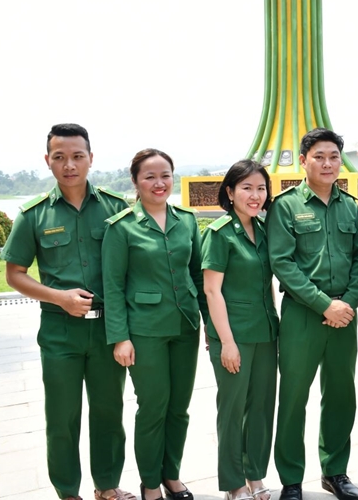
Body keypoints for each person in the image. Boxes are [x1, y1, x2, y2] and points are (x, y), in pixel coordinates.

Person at [0, 123, 135, 500]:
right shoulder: (34, 215)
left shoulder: (115, 208)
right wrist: (59, 297)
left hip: (108, 329)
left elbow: (135, 265)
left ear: (91, 158)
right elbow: (14, 274)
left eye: (77, 156)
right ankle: (67, 492)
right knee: (62, 417)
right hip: (60, 331)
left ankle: (107, 486)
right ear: (48, 160)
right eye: (60, 157)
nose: (69, 165)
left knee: (108, 412)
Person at [267, 128, 358, 500]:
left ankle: (335, 471)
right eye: (319, 157)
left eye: (333, 156)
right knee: (294, 397)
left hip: (344, 316)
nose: (328, 163)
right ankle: (291, 478)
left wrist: (347, 303)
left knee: (341, 395)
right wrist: (325, 305)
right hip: (303, 315)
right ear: (303, 160)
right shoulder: (286, 205)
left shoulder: (350, 206)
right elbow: (282, 263)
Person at [102, 149, 205, 500]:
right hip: (145, 330)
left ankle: (171, 475)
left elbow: (198, 274)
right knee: (153, 408)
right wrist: (120, 337)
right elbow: (113, 286)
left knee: (179, 408)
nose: (159, 183)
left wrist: (211, 324)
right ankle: (149, 482)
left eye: (165, 175)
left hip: (185, 326)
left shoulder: (186, 220)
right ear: (135, 181)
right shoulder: (121, 227)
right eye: (149, 177)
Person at [202, 160, 278, 500]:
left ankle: (255, 476)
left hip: (265, 332)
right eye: (247, 188)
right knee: (232, 411)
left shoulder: (264, 229)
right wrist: (226, 342)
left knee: (261, 408)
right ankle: (234, 483)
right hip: (234, 335)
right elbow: (212, 291)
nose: (255, 195)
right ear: (230, 192)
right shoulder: (219, 233)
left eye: (261, 188)